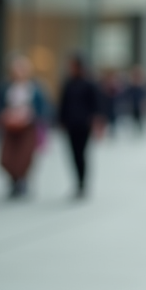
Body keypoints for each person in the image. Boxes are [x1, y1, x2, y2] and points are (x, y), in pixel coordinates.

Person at [0, 55, 47, 199]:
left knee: (24, 156)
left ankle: (22, 181)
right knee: (6, 158)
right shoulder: (6, 87)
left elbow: (43, 108)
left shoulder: (34, 88)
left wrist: (30, 115)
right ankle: (14, 180)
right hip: (10, 128)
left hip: (28, 128)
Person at [58, 54, 104, 200]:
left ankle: (82, 183)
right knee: (73, 155)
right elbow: (63, 104)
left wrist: (97, 123)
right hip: (71, 124)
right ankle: (77, 183)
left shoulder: (89, 83)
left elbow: (97, 105)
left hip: (84, 125)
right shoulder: (68, 83)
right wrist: (61, 121)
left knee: (81, 154)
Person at [122, 65, 146, 137]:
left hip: (139, 105)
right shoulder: (131, 86)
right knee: (134, 118)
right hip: (132, 105)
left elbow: (143, 96)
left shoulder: (141, 86)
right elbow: (127, 95)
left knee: (139, 119)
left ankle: (139, 131)